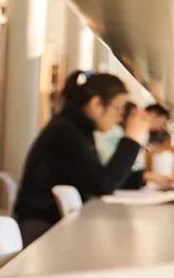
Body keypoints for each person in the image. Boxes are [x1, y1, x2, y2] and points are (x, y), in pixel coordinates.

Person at [13, 71, 150, 245]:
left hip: (51, 224)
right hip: (42, 230)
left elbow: (98, 176)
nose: (120, 117)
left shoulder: (75, 128)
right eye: (119, 108)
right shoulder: (65, 133)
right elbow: (102, 185)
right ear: (96, 104)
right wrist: (130, 140)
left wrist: (141, 178)